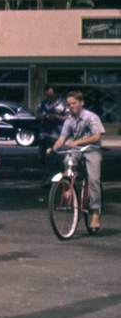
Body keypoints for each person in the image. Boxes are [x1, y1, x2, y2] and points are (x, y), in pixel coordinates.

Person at [48, 90, 104, 232]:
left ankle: (95, 213)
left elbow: (97, 136)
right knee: (68, 159)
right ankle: (70, 186)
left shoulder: (91, 117)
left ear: (81, 103)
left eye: (74, 103)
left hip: (92, 149)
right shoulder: (69, 120)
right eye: (69, 104)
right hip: (77, 150)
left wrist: (78, 141)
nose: (71, 106)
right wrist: (53, 148)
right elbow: (62, 138)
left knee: (93, 180)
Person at [38, 86, 67, 185]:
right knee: (42, 157)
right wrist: (41, 116)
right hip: (44, 133)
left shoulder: (63, 104)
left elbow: (69, 118)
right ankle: (47, 177)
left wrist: (56, 116)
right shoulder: (43, 103)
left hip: (56, 134)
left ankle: (54, 179)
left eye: (50, 95)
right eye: (47, 95)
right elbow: (38, 113)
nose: (48, 97)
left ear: (55, 93)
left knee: (54, 157)